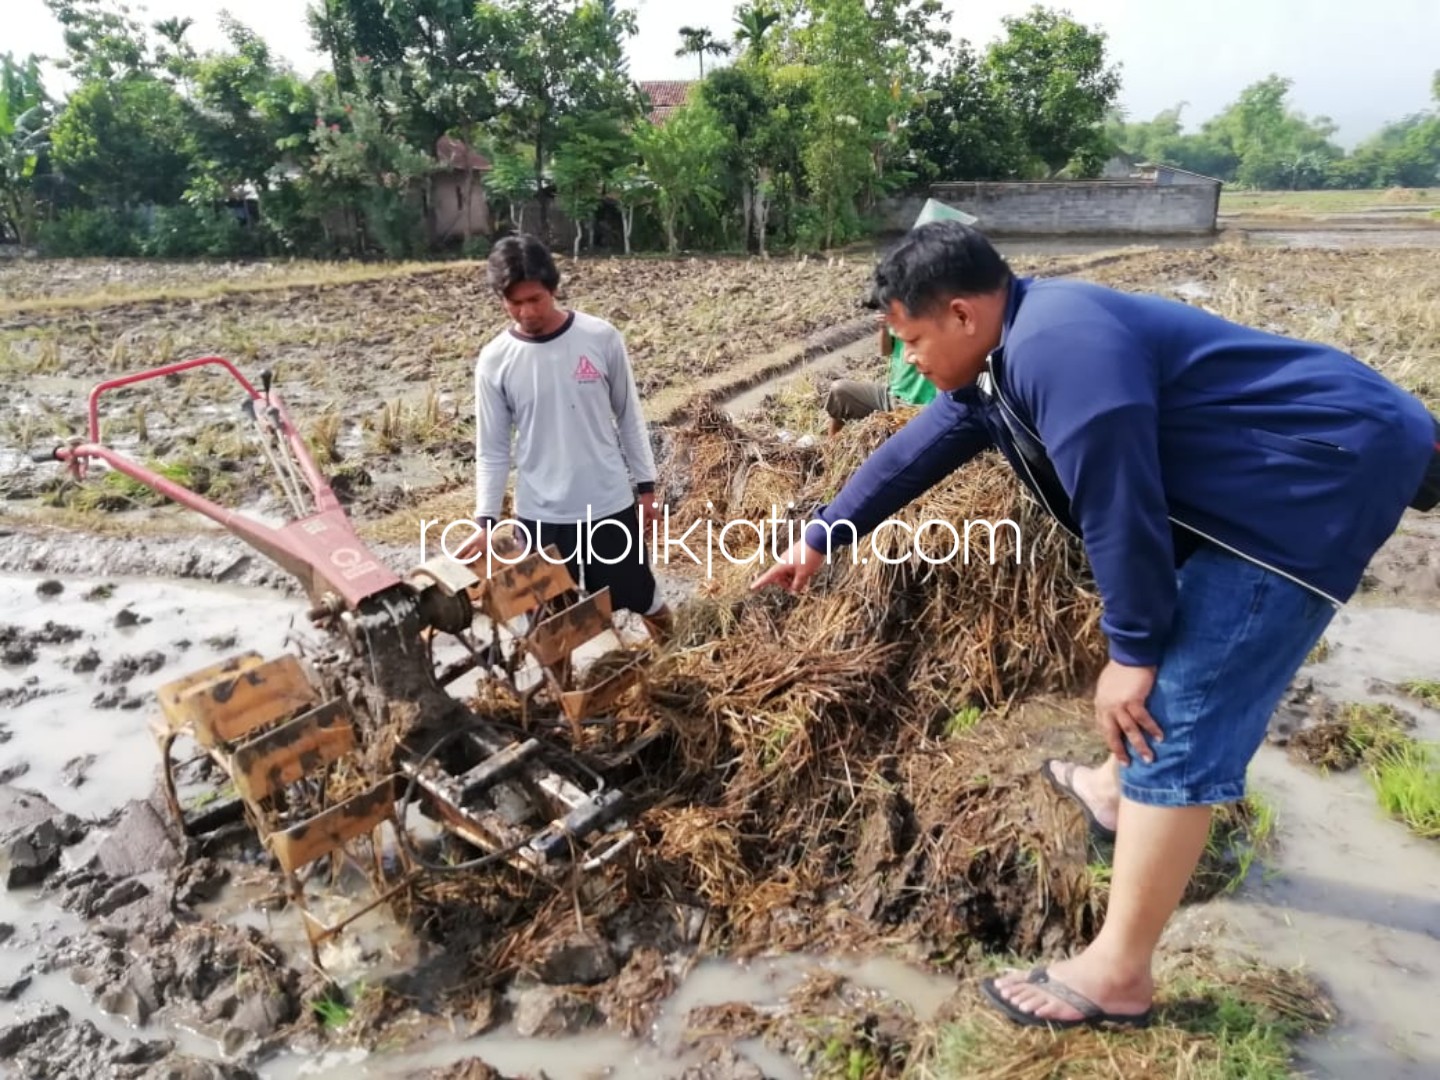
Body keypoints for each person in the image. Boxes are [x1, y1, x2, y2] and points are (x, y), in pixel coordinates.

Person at [752, 221, 1440, 1029]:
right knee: (1160, 686)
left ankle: (1118, 973)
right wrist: (822, 533)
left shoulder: (1060, 351)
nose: (906, 364)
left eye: (910, 340)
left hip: (1312, 478)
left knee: (1175, 716)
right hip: (1281, 460)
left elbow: (1121, 506)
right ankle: (1116, 796)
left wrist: (1134, 650)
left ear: (965, 314)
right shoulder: (1004, 357)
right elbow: (920, 449)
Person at [460, 234, 674, 641]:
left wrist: (646, 490)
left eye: (535, 299)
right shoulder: (495, 361)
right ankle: (565, 701)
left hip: (608, 505)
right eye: (514, 302)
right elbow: (492, 450)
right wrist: (486, 521)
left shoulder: (599, 338)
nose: (526, 311)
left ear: (553, 289)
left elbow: (629, 416)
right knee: (549, 622)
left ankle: (678, 662)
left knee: (642, 596)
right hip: (541, 517)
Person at [822, 312, 937, 435]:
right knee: (840, 392)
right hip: (892, 395)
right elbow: (886, 351)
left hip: (920, 408)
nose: (907, 356)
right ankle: (830, 446)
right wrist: (884, 327)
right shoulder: (900, 310)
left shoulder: (937, 318)